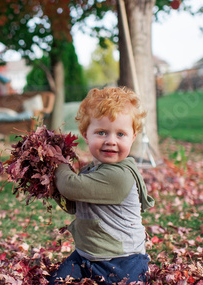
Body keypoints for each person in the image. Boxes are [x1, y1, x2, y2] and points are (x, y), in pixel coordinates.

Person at [50, 86, 155, 285]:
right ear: (85, 134)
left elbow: (70, 187)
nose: (111, 141)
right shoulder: (92, 170)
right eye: (101, 132)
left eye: (121, 134)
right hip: (85, 257)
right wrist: (51, 185)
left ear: (133, 137)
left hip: (123, 261)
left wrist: (58, 163)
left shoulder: (120, 176)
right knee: (56, 282)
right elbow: (73, 201)